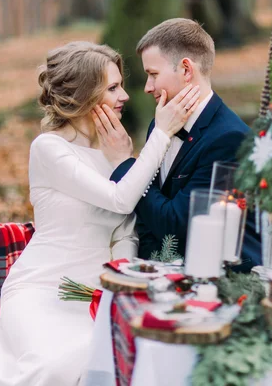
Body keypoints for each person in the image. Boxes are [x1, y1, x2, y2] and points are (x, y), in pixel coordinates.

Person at [0, 41, 200, 386]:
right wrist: (161, 133)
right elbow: (120, 200)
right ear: (84, 95)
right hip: (39, 290)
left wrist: (117, 290)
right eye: (113, 87)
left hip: (90, 296)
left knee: (109, 357)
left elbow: (125, 231)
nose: (125, 96)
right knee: (53, 365)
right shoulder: (49, 149)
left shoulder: (113, 151)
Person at [108, 18, 262, 272]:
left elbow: (175, 224)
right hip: (165, 270)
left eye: (153, 74)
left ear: (187, 70)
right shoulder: (160, 125)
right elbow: (148, 220)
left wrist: (126, 165)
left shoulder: (229, 139)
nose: (148, 87)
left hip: (225, 282)